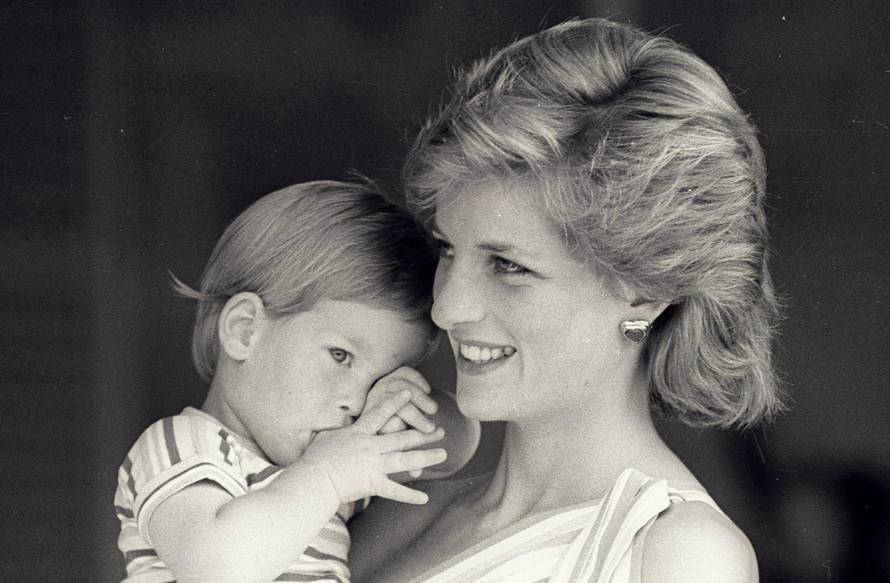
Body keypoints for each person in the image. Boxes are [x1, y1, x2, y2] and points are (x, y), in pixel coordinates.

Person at [348, 18, 784, 583]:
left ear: (646, 290)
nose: (447, 309)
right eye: (447, 249)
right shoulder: (394, 518)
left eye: (508, 266)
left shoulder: (678, 554)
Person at [113, 180, 480, 583]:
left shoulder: (333, 462)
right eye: (340, 356)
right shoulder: (182, 447)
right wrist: (327, 476)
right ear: (245, 329)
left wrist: (396, 412)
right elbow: (219, 569)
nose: (357, 402)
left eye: (380, 379)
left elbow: (454, 446)